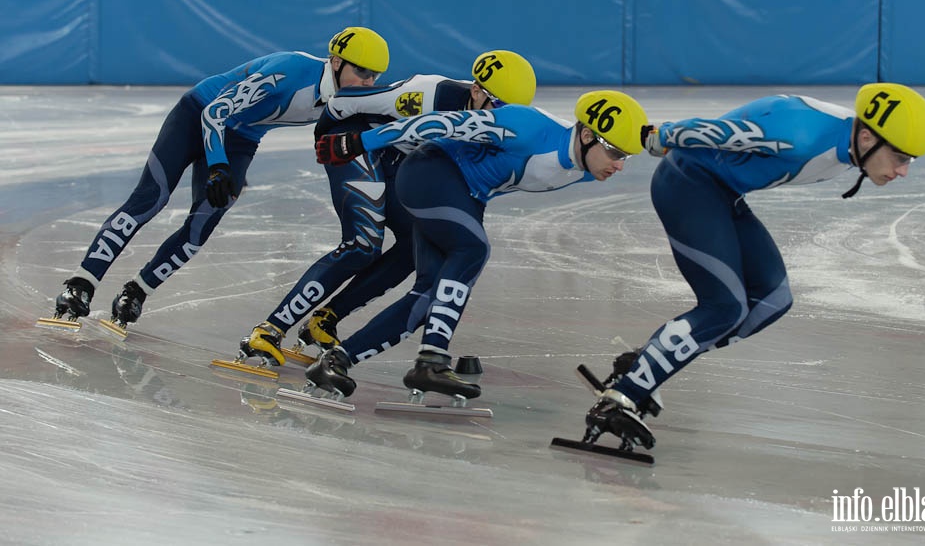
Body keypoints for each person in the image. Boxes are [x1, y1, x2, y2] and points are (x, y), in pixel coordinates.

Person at [579, 83, 925, 452]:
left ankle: (649, 362)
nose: (903, 170)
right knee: (724, 307)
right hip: (686, 186)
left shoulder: (846, 141)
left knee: (772, 298)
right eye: (900, 157)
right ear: (867, 137)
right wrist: (661, 135)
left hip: (721, 194)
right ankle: (620, 398)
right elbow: (721, 132)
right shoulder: (803, 136)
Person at [304, 89, 650, 401]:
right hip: (430, 173)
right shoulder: (525, 127)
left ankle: (337, 361)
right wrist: (361, 142)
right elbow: (441, 123)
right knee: (472, 248)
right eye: (615, 152)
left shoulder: (590, 163)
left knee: (429, 296)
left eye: (627, 157)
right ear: (587, 135)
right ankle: (432, 360)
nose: (620, 165)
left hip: (465, 196)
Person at [49, 26, 390, 329]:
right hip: (199, 112)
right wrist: (218, 165)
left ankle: (137, 290)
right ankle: (82, 283)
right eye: (362, 72)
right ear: (335, 62)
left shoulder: (347, 101)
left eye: (374, 76)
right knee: (150, 199)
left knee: (203, 225)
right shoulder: (293, 70)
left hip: (241, 140)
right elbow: (216, 112)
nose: (368, 82)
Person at [237, 50, 538, 367]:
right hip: (354, 140)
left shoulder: (499, 126)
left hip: (400, 162)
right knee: (362, 244)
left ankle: (325, 319)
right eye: (499, 106)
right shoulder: (428, 92)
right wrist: (327, 139)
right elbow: (345, 102)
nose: (501, 117)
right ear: (476, 91)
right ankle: (269, 330)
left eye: (513, 111)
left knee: (414, 246)